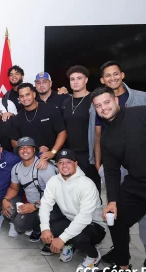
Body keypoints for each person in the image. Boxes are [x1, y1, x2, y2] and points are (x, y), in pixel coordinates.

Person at [91, 61, 146, 265]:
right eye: (98, 106)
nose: (103, 108)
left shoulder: (140, 113)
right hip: (136, 184)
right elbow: (112, 172)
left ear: (116, 101)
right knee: (115, 219)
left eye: (106, 102)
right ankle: (123, 264)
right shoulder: (106, 137)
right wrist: (112, 201)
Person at [39, 149, 106, 271]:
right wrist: (45, 228)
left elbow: (84, 217)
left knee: (78, 237)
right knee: (50, 227)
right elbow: (45, 205)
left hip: (94, 225)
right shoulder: (54, 181)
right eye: (60, 162)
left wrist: (62, 239)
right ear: (56, 165)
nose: (64, 166)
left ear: (76, 164)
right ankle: (70, 245)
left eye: (68, 162)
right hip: (71, 220)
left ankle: (94, 255)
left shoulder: (86, 184)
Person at [0, 138, 46, 236]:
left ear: (1, 149)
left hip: (11, 195)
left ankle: (12, 221)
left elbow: (28, 156)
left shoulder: (11, 158)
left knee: (10, 211)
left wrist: (43, 158)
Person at [4, 137, 56, 243]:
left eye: (28, 147)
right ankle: (36, 225)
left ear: (34, 150)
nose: (25, 150)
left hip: (50, 206)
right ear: (18, 151)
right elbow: (14, 188)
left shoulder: (44, 167)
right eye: (21, 148)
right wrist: (5, 199)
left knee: (24, 222)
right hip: (31, 204)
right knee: (19, 224)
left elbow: (55, 195)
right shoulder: (16, 168)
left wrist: (35, 206)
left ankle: (45, 230)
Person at [61, 65, 101, 194]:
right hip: (70, 155)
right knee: (72, 193)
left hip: (89, 155)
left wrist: (97, 158)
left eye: (79, 78)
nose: (75, 81)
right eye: (72, 79)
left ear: (86, 80)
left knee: (92, 192)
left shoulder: (93, 100)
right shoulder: (66, 102)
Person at [12, 83, 67, 162]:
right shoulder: (17, 118)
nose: (25, 98)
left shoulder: (50, 109)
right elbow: (14, 142)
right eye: (22, 96)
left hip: (54, 159)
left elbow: (62, 133)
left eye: (27, 94)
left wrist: (53, 152)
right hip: (31, 161)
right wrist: (34, 150)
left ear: (34, 94)